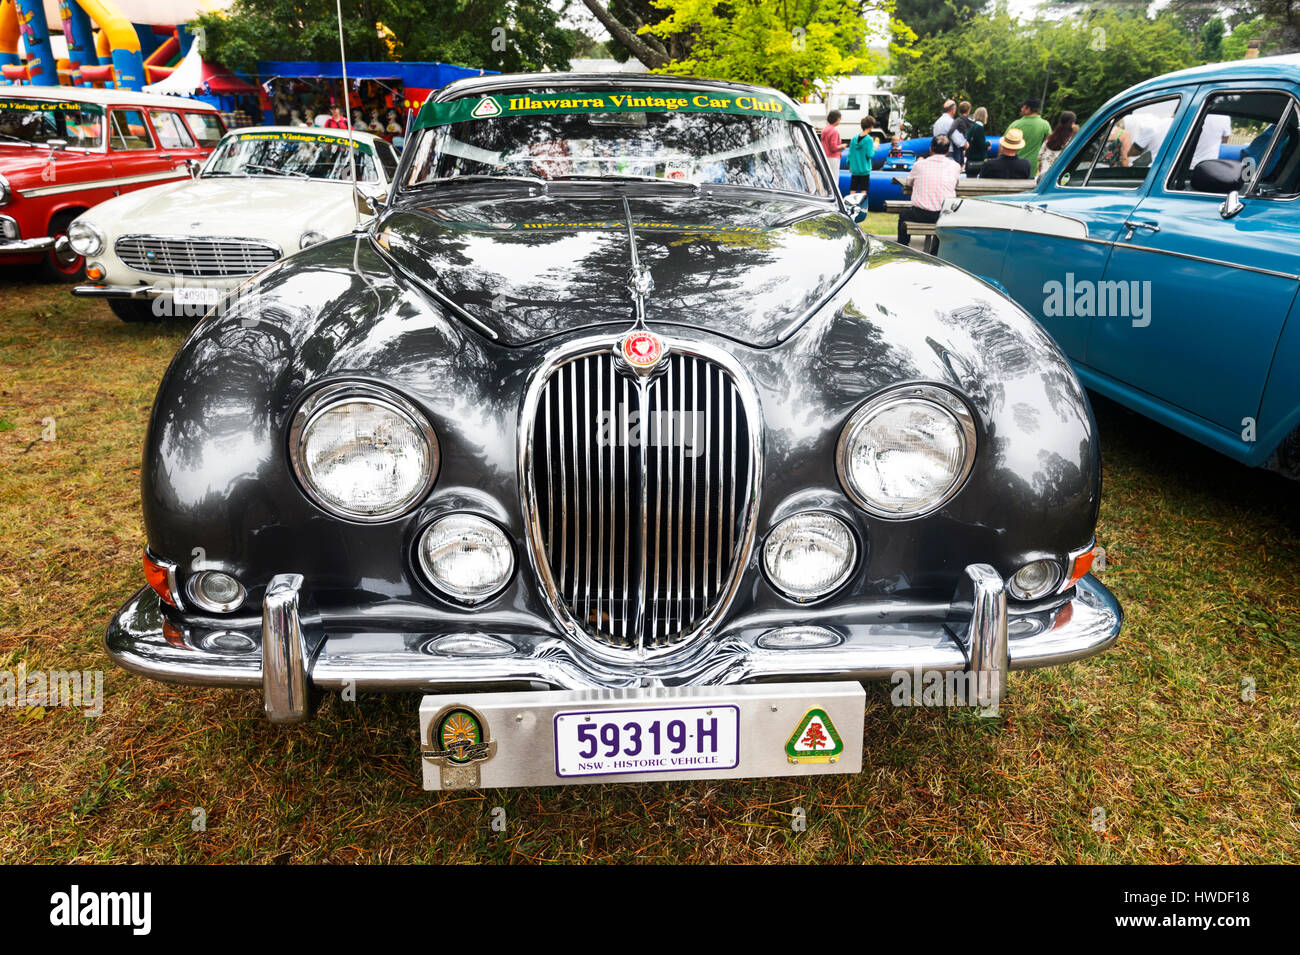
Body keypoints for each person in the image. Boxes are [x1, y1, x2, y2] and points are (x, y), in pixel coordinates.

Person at [898, 134, 961, 249]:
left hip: (920, 213)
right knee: (943, 222)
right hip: (944, 214)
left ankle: (902, 247)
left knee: (903, 215)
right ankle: (936, 251)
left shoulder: (919, 165)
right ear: (948, 151)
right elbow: (956, 184)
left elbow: (909, 182)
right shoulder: (955, 166)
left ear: (930, 149)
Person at [1006, 98, 1052, 176]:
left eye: (1023, 107)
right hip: (1032, 167)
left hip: (1013, 165)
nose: (1021, 109)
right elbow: (1050, 144)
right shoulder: (1045, 125)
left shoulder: (1015, 124)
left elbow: (1003, 145)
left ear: (1028, 109)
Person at [1036, 110, 1077, 178]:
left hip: (1043, 177)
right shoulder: (1071, 141)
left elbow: (1039, 156)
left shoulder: (1049, 138)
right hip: (1059, 178)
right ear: (1073, 123)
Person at [847, 115, 877, 196]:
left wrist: (849, 165)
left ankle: (850, 207)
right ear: (871, 126)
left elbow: (850, 154)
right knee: (863, 191)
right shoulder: (869, 140)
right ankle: (862, 208)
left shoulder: (854, 138)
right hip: (864, 170)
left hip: (855, 169)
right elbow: (870, 155)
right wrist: (875, 148)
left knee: (852, 190)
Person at [965, 106, 989, 172]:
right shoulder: (979, 128)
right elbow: (981, 145)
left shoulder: (973, 127)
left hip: (970, 159)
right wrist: (988, 144)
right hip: (977, 160)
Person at [950, 101, 973, 165]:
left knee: (958, 161)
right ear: (969, 110)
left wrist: (948, 136)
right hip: (968, 142)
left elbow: (952, 129)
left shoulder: (958, 120)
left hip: (960, 143)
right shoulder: (971, 121)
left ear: (959, 111)